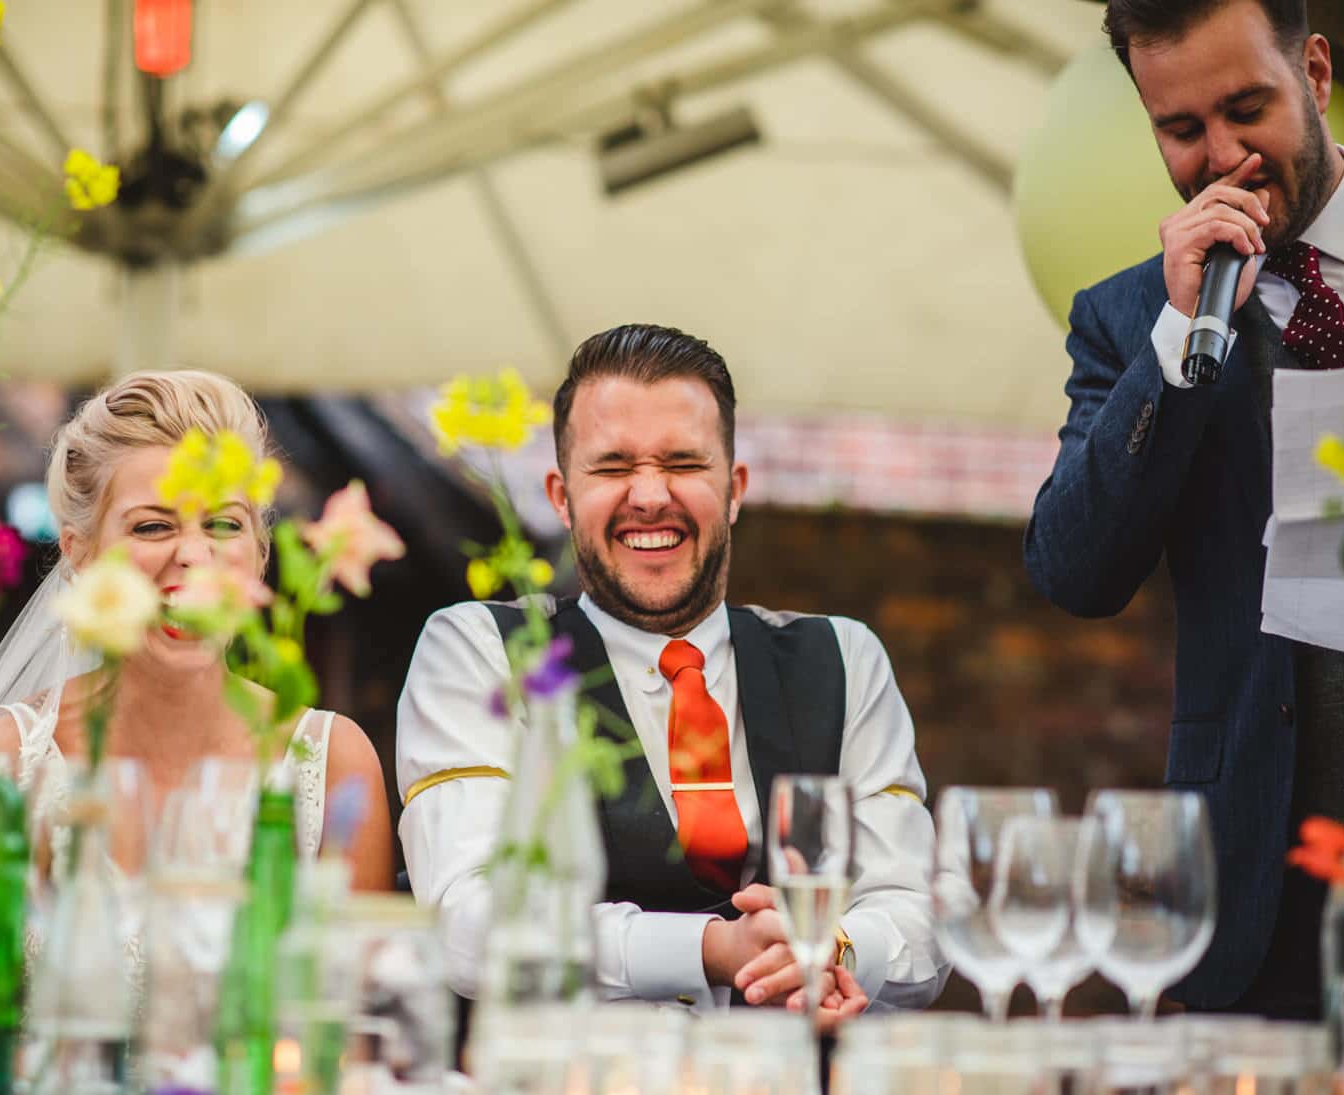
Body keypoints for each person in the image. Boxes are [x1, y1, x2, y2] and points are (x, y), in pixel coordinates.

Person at [398, 324, 947, 1021]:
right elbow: (468, 923)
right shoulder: (477, 650)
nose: (650, 495)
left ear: (736, 488)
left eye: (684, 463)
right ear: (561, 496)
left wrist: (830, 948)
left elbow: (921, 925)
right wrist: (711, 947)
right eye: (614, 466)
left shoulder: (846, 659)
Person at [1024, 0, 1344, 1017]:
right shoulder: (1126, 318)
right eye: (1180, 131)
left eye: (1245, 109)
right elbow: (1072, 571)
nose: (1221, 156)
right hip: (1255, 890)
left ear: (1312, 76)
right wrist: (1176, 340)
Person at [0, 370, 393, 889]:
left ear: (261, 552)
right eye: (153, 526)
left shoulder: (334, 764)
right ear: (78, 554)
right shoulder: (4, 759)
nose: (195, 556)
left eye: (224, 525)